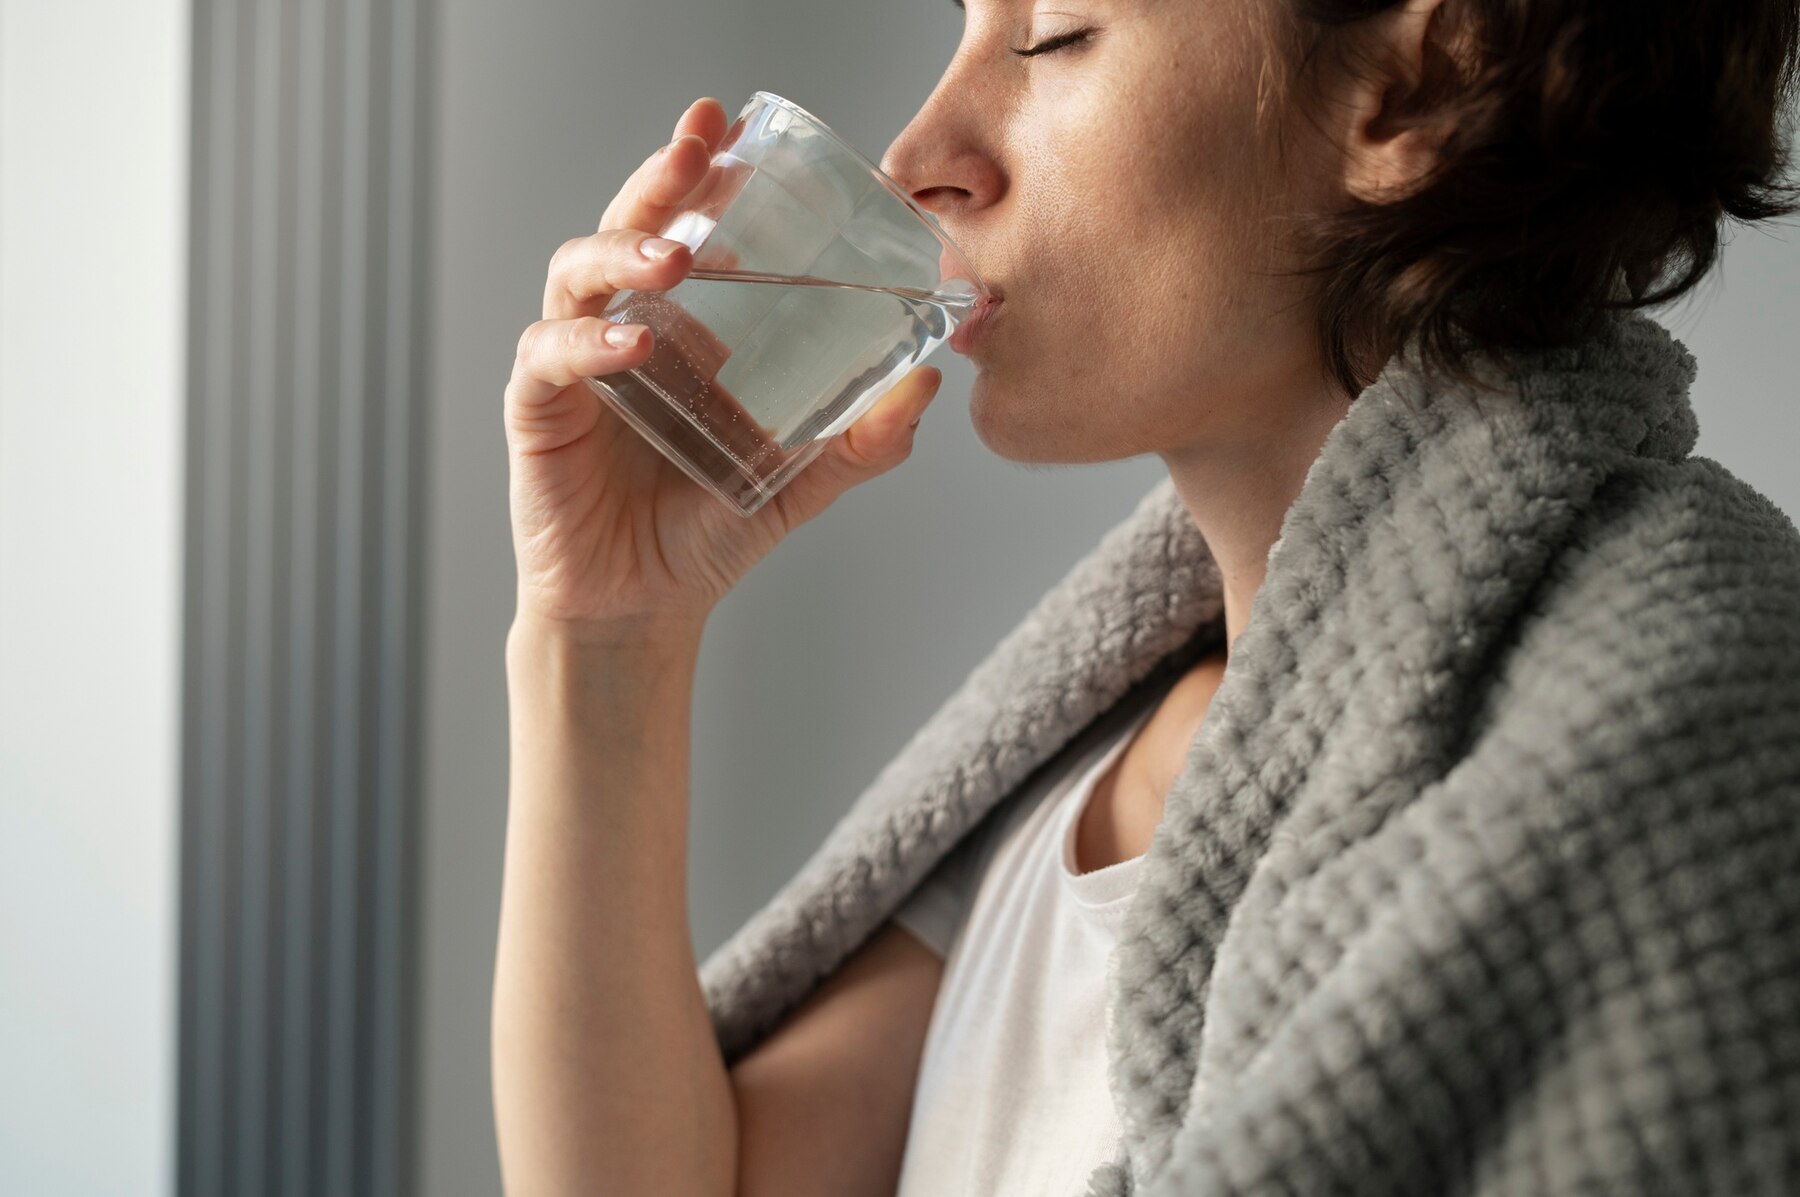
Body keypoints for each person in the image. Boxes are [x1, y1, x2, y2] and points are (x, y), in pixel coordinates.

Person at [489, 0, 1800, 1191]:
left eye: (1053, 33)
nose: (916, 155)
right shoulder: (1086, 784)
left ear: (1413, 91)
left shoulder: (1684, 721)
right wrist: (603, 635)